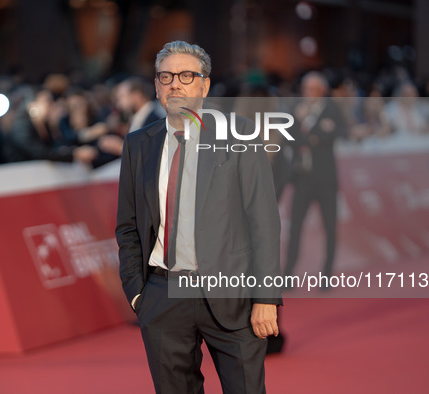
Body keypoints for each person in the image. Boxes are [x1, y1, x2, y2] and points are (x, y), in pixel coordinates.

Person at [116, 40, 282, 393]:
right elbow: (128, 226)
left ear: (204, 85)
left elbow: (263, 222)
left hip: (232, 293)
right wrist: (138, 294)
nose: (175, 84)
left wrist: (266, 297)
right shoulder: (138, 144)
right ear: (157, 87)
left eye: (187, 76)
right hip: (163, 294)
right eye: (166, 76)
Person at [283, 72, 346, 283]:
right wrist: (311, 133)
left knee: (329, 226)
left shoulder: (331, 109)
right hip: (302, 178)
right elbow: (289, 137)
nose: (307, 93)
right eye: (305, 88)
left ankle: (327, 275)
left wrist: (312, 135)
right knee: (295, 226)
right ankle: (288, 273)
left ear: (321, 91)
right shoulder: (296, 110)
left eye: (312, 89)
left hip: (326, 178)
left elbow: (337, 133)